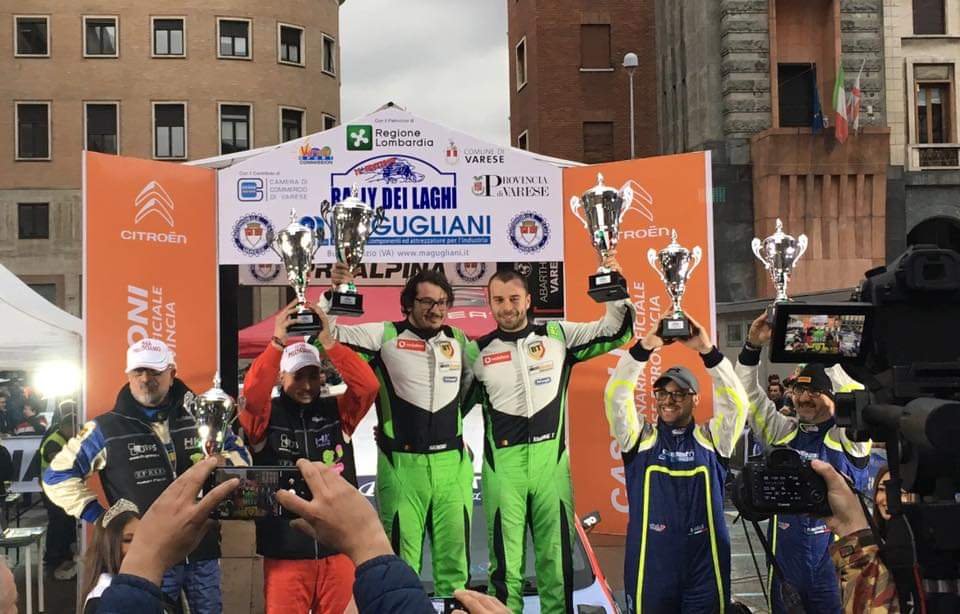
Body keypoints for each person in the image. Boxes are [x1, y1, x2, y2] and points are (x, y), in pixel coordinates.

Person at [95, 455, 510, 614]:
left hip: (326, 560)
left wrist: (143, 559)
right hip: (286, 557)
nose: (308, 384)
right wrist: (370, 544)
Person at [465, 265, 634, 613]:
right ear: (489, 302)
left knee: (556, 566)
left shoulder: (558, 336)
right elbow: (447, 407)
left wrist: (614, 288)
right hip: (503, 471)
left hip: (551, 466)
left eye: (514, 299)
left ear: (528, 300)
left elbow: (617, 331)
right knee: (505, 571)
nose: (507, 307)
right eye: (499, 300)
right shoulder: (476, 353)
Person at [42, 338, 250, 614]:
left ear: (172, 374)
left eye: (154, 371)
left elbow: (243, 460)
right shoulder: (105, 428)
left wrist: (222, 463)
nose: (145, 379)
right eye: (138, 371)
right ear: (128, 375)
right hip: (146, 555)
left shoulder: (203, 416)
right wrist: (103, 518)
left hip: (203, 548)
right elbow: (56, 477)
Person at [322, 266, 475, 596]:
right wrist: (333, 295)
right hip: (402, 465)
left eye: (442, 302)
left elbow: (471, 387)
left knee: (455, 570)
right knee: (402, 567)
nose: (435, 309)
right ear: (408, 303)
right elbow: (325, 336)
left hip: (453, 465)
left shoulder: (458, 339)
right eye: (426, 301)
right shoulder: (384, 335)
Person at [239, 303, 379, 613]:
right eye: (298, 376)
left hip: (338, 549)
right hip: (285, 553)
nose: (306, 385)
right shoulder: (265, 418)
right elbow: (252, 395)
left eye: (313, 376)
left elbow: (368, 386)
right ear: (281, 376)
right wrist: (277, 342)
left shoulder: (337, 411)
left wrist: (328, 342)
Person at [604, 314, 748, 613]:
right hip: (652, 567)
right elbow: (616, 395)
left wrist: (708, 351)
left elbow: (737, 404)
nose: (668, 400)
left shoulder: (713, 439)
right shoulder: (640, 438)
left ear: (695, 399)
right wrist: (644, 348)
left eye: (679, 393)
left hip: (704, 566)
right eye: (662, 393)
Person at [736, 313, 871, 614]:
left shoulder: (849, 436)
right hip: (786, 568)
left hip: (838, 567)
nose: (805, 397)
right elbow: (748, 396)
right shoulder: (782, 432)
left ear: (833, 396)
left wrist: (817, 339)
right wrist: (751, 347)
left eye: (815, 391)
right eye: (799, 389)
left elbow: (854, 393)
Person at [812, 460, 899, 613]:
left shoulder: (915, 553)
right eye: (881, 489)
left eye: (899, 492)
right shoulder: (873, 540)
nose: (887, 499)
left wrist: (851, 528)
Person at [80, 499, 141, 614]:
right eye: (128, 540)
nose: (139, 546)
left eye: (142, 538)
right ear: (108, 546)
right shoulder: (102, 599)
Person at [39, 401, 78, 580]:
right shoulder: (54, 442)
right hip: (52, 490)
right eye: (74, 429)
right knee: (58, 522)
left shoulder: (63, 439)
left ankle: (63, 553)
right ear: (66, 427)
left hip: (60, 489)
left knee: (65, 522)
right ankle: (53, 557)